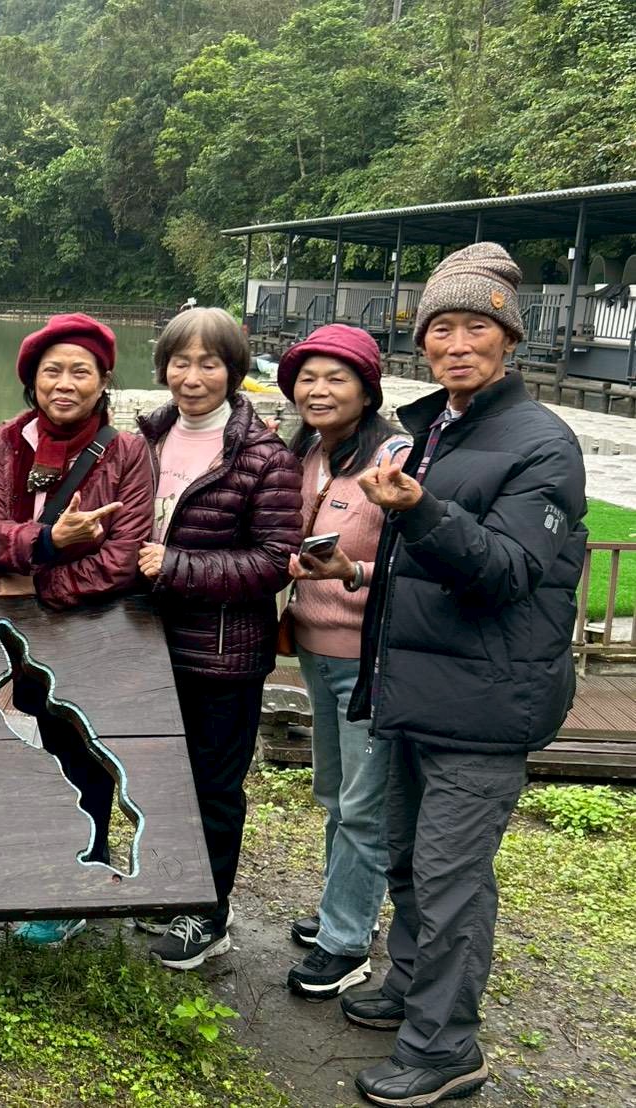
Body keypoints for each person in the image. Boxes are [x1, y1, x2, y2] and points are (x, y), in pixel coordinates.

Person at [342, 244, 586, 1107]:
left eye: (474, 327)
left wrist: (420, 510)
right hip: (419, 689)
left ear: (508, 339)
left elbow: (508, 571)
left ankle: (445, 1048)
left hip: (486, 703)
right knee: (408, 858)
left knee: (451, 880)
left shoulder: (541, 443)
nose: (455, 344)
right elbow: (417, 570)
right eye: (438, 328)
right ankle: (411, 988)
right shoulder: (438, 427)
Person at [0, 312, 154, 946]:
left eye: (82, 371)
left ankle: (84, 872)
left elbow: (123, 555)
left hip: (90, 626)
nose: (66, 383)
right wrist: (49, 541)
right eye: (53, 371)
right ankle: (33, 861)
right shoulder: (9, 439)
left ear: (104, 381)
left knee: (85, 750)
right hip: (18, 633)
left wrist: (38, 583)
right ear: (33, 380)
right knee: (29, 748)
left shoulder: (127, 452)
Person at [134, 306, 301, 970]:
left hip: (222, 651)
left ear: (233, 371)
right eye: (180, 362)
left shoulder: (263, 455)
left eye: (209, 363)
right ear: (163, 367)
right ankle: (174, 888)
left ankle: (208, 913)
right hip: (145, 643)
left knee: (212, 784)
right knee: (158, 777)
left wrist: (176, 565)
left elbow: (274, 561)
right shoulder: (144, 439)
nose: (193, 376)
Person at [274, 325, 409, 999]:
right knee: (334, 794)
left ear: (367, 389)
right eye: (307, 378)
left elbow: (418, 562)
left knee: (362, 806)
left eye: (336, 378)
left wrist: (351, 571)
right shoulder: (307, 453)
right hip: (314, 652)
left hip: (370, 660)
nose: (318, 390)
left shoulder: (393, 457)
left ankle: (346, 942)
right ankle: (344, 909)